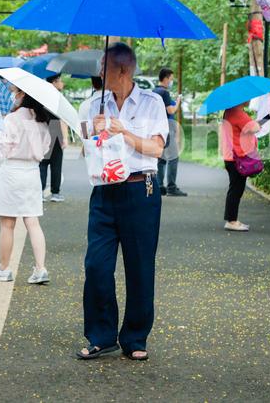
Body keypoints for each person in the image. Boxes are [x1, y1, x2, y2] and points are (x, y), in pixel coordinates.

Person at [77, 43, 168, 362]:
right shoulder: (92, 105)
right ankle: (101, 335)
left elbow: (157, 149)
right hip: (104, 191)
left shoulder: (152, 103)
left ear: (123, 70)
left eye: (104, 67)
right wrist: (94, 133)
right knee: (96, 265)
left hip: (140, 190)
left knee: (139, 266)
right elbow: (84, 148)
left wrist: (124, 132)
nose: (99, 72)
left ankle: (135, 336)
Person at [0, 86, 52, 284]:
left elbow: (4, 149)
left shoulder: (11, 119)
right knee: (33, 221)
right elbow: (46, 148)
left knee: (7, 223)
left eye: (15, 91)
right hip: (32, 172)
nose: (13, 95)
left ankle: (4, 269)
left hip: (12, 172)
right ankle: (40, 269)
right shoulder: (41, 120)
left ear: (22, 94)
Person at [220, 103, 261, 232]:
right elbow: (254, 128)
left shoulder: (228, 111)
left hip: (231, 156)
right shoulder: (237, 112)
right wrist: (260, 122)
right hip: (237, 157)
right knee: (236, 190)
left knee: (235, 188)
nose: (249, 100)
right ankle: (231, 221)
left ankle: (232, 219)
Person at [153, 68, 187, 197]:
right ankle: (171, 187)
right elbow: (171, 111)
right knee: (173, 157)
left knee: (161, 158)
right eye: (171, 79)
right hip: (166, 125)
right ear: (166, 78)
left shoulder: (154, 91)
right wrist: (178, 102)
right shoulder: (164, 92)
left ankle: (159, 186)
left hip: (156, 127)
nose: (171, 82)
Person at [40, 73, 68, 202]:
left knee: (43, 163)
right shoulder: (58, 98)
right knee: (56, 164)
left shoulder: (42, 97)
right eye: (60, 81)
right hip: (56, 129)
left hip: (43, 130)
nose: (62, 83)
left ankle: (40, 192)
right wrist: (65, 138)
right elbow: (63, 119)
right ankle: (55, 193)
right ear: (54, 82)